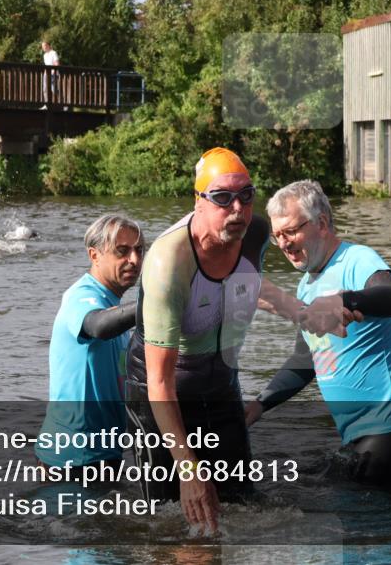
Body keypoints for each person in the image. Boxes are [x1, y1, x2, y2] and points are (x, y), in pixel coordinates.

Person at [245, 180, 391, 486]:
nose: (284, 244)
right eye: (278, 236)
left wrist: (345, 300)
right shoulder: (306, 284)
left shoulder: (357, 260)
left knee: (353, 511)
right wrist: (260, 404)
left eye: (291, 231)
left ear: (320, 224)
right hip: (360, 430)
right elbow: (307, 359)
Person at [126, 147, 269, 533]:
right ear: (199, 201)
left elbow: (252, 283)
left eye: (247, 195)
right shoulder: (167, 261)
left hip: (220, 383)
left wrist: (305, 308)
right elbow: (159, 380)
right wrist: (188, 469)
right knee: (168, 518)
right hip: (158, 390)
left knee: (242, 505)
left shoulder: (256, 231)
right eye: (222, 198)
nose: (237, 208)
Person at [35, 214, 144, 476]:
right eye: (122, 251)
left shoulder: (113, 305)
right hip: (71, 459)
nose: (135, 260)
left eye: (139, 250)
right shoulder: (82, 295)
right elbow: (98, 326)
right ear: (94, 255)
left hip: (104, 455)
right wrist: (156, 303)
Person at [40, 41, 60, 109]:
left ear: (48, 45)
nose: (43, 48)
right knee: (45, 89)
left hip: (53, 74)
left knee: (53, 89)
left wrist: (53, 72)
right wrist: (45, 73)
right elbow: (46, 65)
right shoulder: (44, 55)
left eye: (45, 46)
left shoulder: (53, 53)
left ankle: (61, 103)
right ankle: (46, 104)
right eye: (42, 47)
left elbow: (57, 64)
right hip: (46, 74)